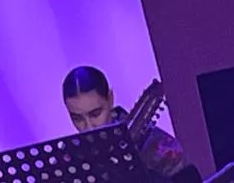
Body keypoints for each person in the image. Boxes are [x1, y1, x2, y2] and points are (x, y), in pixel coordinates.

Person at [63, 66, 194, 181]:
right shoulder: (70, 157)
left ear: (110, 99)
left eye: (95, 114)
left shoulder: (160, 146)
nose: (88, 127)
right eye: (77, 118)